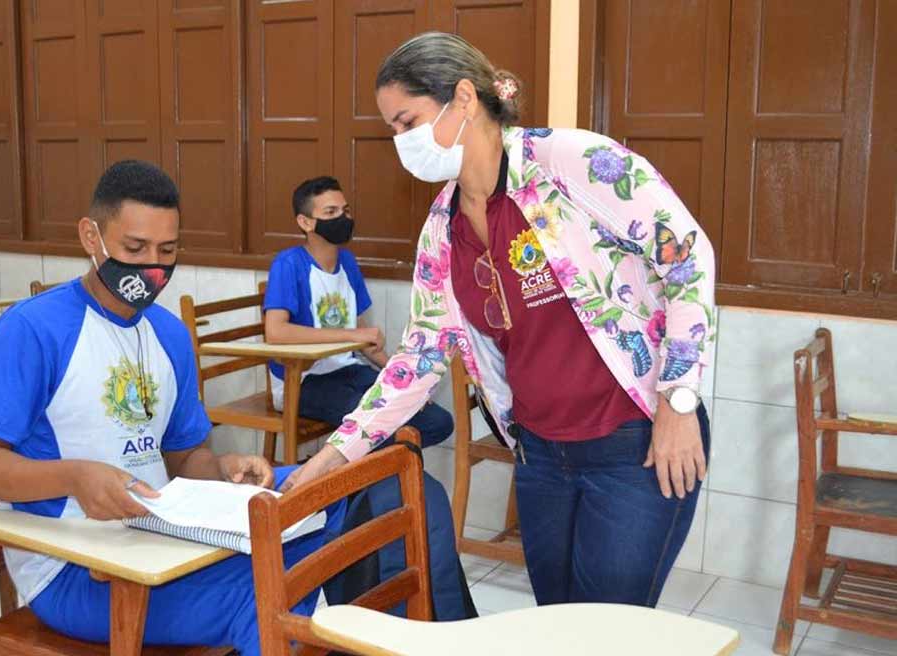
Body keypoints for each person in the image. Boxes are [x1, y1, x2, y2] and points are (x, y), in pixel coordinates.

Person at [283, 32, 716, 609]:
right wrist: (333, 455)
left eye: (407, 121)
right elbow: (419, 356)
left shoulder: (574, 163)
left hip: (632, 442)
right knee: (554, 623)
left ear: (464, 98)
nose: (401, 142)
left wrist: (679, 402)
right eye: (391, 129)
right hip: (540, 455)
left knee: (609, 631)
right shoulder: (442, 228)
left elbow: (687, 257)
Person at [0, 160, 345, 655]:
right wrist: (75, 476)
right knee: (268, 597)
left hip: (161, 539)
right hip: (73, 568)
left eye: (167, 250)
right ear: (90, 237)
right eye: (135, 249)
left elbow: (184, 457)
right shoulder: (34, 329)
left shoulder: (168, 334)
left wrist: (223, 470)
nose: (152, 267)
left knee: (327, 492)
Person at [263, 176, 454, 449]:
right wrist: (353, 334)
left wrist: (401, 379)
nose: (342, 218)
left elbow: (364, 339)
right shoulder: (288, 264)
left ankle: (357, 479)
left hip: (349, 371)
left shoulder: (347, 262)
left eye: (346, 211)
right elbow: (276, 332)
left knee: (436, 420)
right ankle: (358, 484)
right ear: (305, 222)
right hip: (303, 383)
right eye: (330, 212)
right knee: (381, 428)